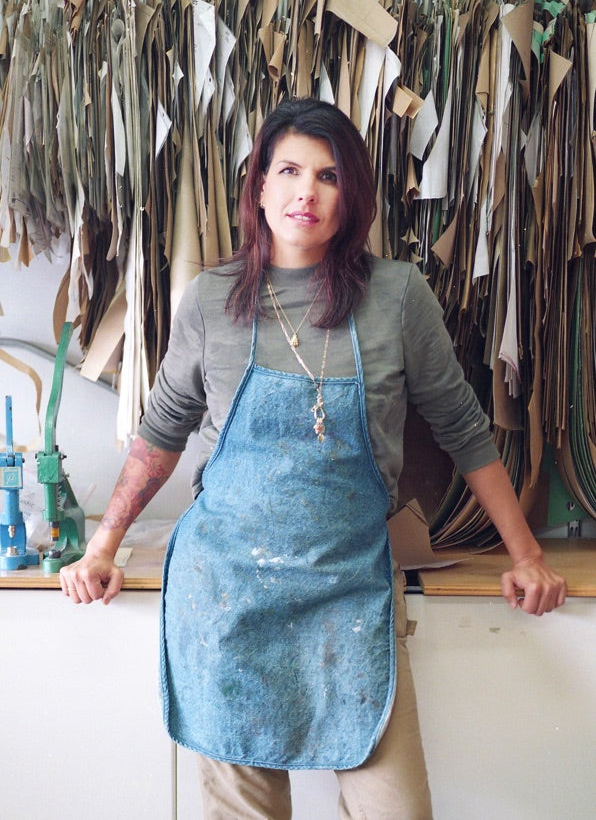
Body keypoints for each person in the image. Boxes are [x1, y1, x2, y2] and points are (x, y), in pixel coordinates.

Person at [60, 97, 567, 819]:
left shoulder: (398, 296)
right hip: (227, 599)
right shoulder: (210, 300)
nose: (306, 192)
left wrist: (525, 555)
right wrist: (103, 544)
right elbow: (162, 430)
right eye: (289, 170)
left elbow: (462, 426)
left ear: (351, 195)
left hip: (349, 598)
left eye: (328, 176)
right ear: (259, 186)